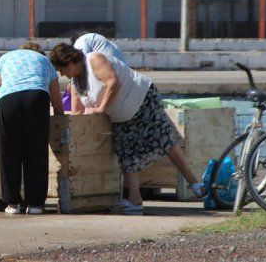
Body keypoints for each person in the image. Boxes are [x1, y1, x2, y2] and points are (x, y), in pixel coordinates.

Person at [49, 43, 207, 215]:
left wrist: (101, 109)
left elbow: (113, 82)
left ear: (70, 62)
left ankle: (195, 184)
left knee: (164, 139)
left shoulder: (95, 59)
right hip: (122, 115)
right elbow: (77, 112)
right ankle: (135, 199)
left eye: (62, 69)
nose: (61, 74)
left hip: (142, 98)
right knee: (126, 152)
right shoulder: (74, 84)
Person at [0, 42, 64, 215]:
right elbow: (56, 100)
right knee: (36, 151)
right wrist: (61, 118)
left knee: (9, 151)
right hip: (37, 97)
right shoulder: (45, 61)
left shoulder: (6, 57)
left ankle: (12, 204)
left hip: (8, 98)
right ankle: (35, 204)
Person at [64, 33, 126, 113]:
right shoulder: (98, 42)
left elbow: (80, 64)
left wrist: (72, 83)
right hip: (120, 70)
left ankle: (76, 115)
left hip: (109, 68)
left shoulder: (79, 43)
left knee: (75, 85)